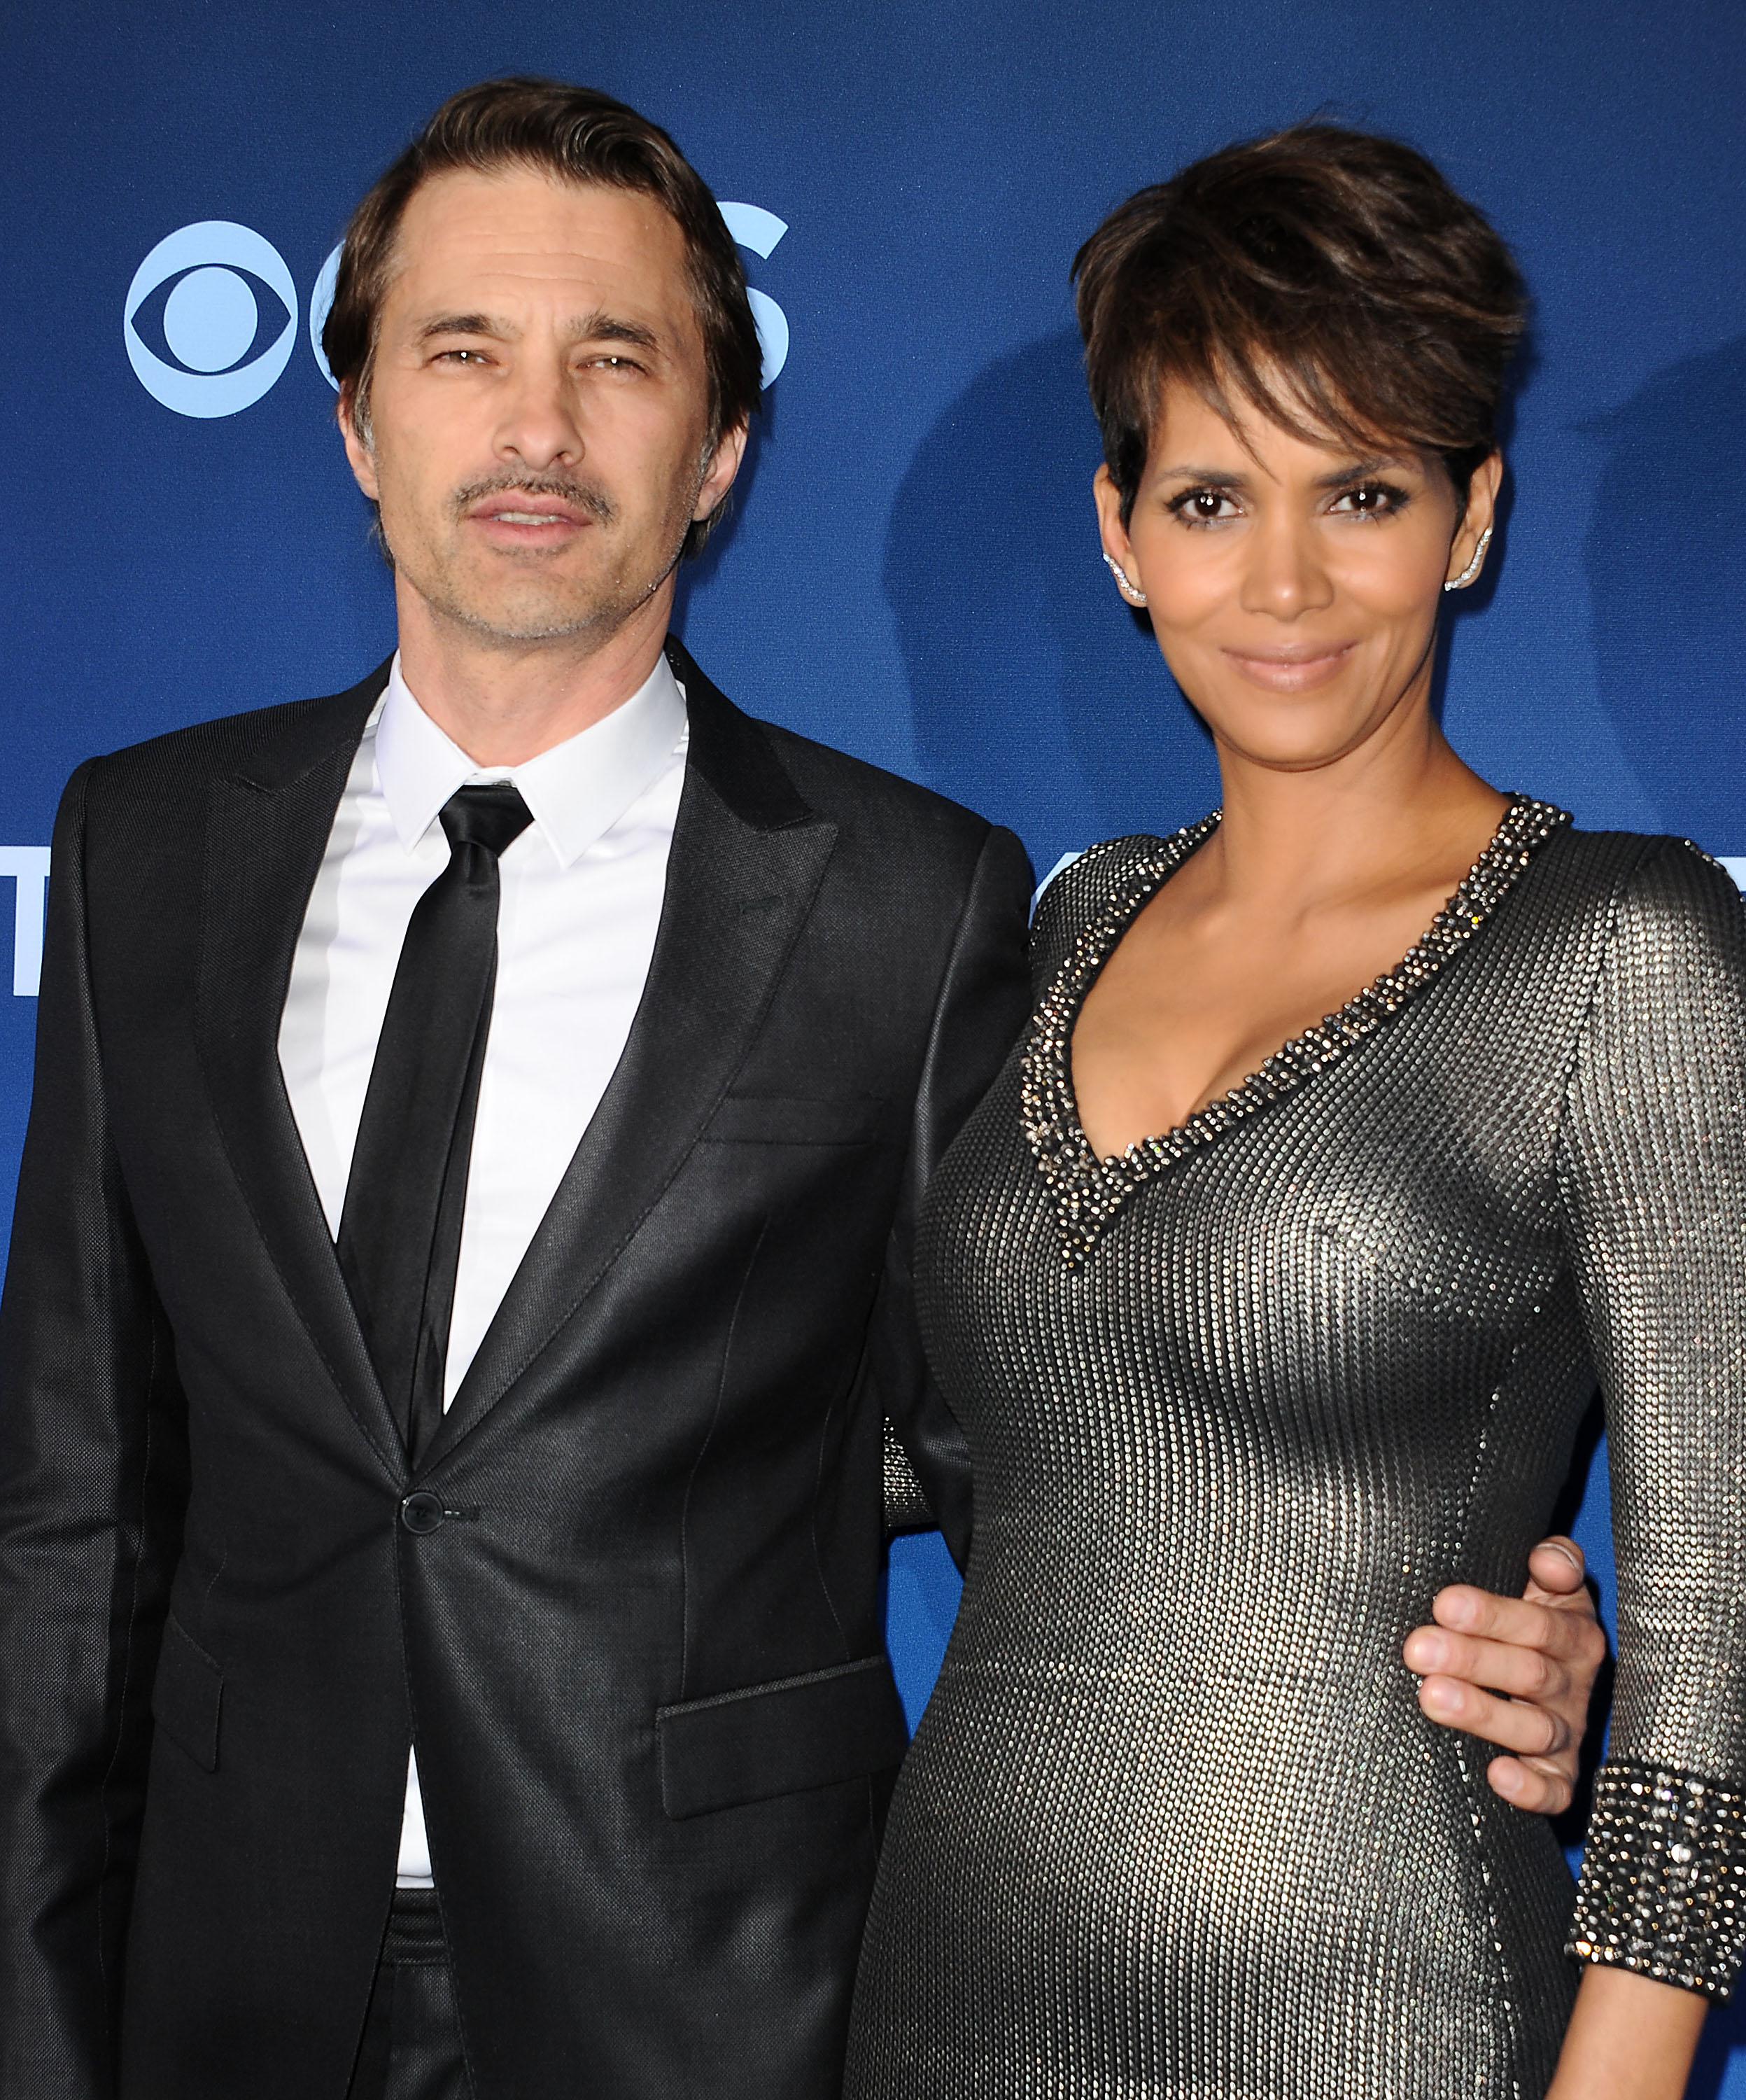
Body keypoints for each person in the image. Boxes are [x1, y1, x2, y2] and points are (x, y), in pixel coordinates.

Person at [0, 83, 1600, 2100]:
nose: (537, 429)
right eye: (463, 352)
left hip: (725, 2002)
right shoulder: (148, 850)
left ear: (720, 449)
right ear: (355, 423)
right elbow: (72, 1513)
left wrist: (1433, 1634)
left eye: (617, 359)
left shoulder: (910, 903)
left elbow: (1044, 1434)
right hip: (216, 1987)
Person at [845, 125, 1745, 2100]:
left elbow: (1716, 1637)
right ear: (1117, 533)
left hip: (1377, 2019)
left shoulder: (1630, 955)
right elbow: (941, 1449)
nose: (1281, 580)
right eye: (1207, 495)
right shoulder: (1069, 922)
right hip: (936, 2009)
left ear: (1472, 517)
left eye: (1360, 491)